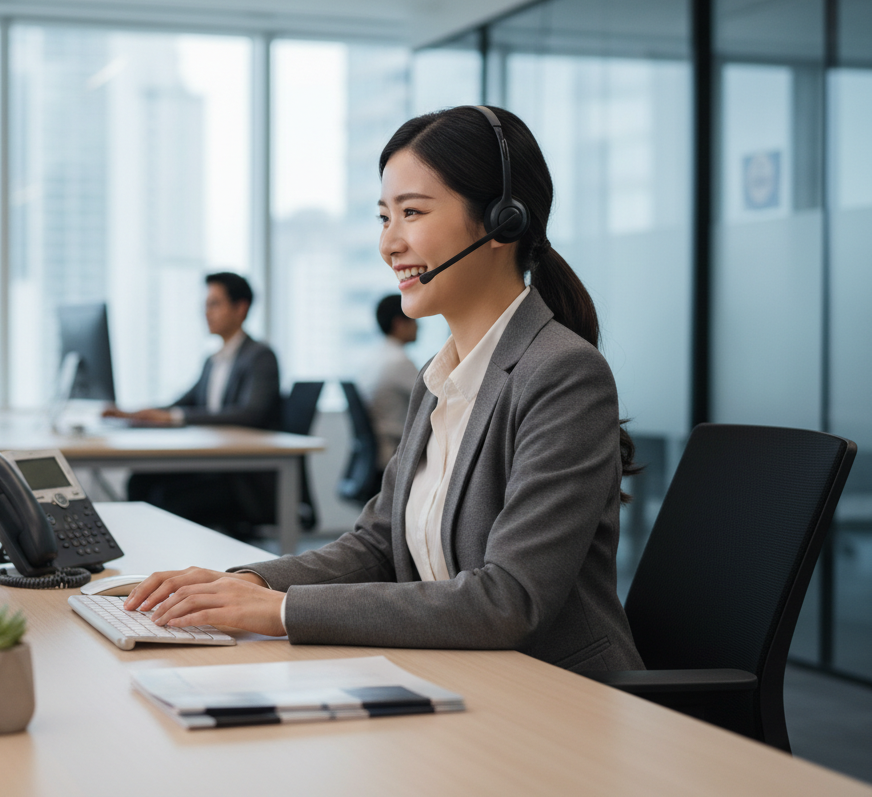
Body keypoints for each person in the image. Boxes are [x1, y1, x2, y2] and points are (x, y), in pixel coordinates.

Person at [123, 105, 645, 673]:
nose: (389, 243)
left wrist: (281, 611)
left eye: (412, 213)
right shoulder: (438, 378)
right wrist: (238, 585)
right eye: (382, 217)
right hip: (468, 678)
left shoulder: (563, 374)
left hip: (561, 699)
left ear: (503, 221)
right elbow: (376, 546)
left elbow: (508, 601)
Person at [106, 272, 282, 537]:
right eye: (205, 305)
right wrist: (134, 413)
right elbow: (184, 402)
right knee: (140, 481)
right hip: (213, 469)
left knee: (168, 499)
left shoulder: (260, 357)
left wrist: (177, 418)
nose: (206, 313)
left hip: (241, 479)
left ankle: (174, 569)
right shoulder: (213, 360)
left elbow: (250, 414)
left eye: (214, 304)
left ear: (240, 308)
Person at [361, 294, 419, 471]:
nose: (419, 327)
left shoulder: (372, 358)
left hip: (376, 452)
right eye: (415, 321)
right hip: (394, 451)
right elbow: (438, 398)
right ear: (399, 323)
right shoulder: (399, 362)